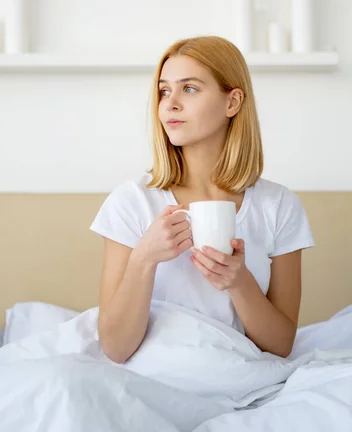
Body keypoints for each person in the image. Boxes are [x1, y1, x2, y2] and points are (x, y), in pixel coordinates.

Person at [90, 36, 315, 363]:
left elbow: (280, 346)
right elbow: (114, 348)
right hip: (153, 380)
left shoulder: (279, 206)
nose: (170, 104)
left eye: (190, 89)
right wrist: (144, 259)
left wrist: (240, 283)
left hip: (243, 377)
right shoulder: (132, 201)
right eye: (164, 91)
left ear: (233, 102)